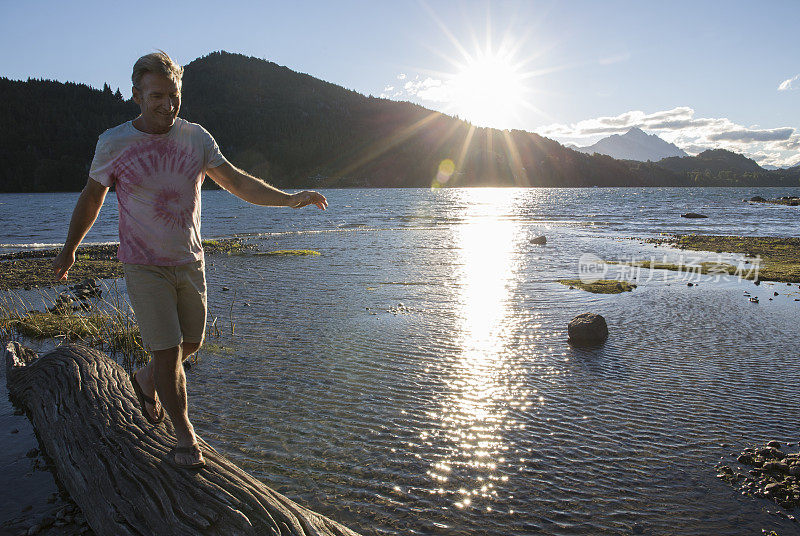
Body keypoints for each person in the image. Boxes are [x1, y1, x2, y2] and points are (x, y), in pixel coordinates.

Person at [52, 51, 327, 469]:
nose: (167, 104)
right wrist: (71, 247)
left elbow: (235, 181)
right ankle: (184, 436)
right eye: (157, 96)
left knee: (191, 344)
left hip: (189, 260)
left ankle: (145, 382)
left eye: (174, 95)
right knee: (166, 352)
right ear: (138, 96)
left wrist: (289, 200)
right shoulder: (114, 143)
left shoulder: (196, 137)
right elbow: (92, 197)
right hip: (144, 264)